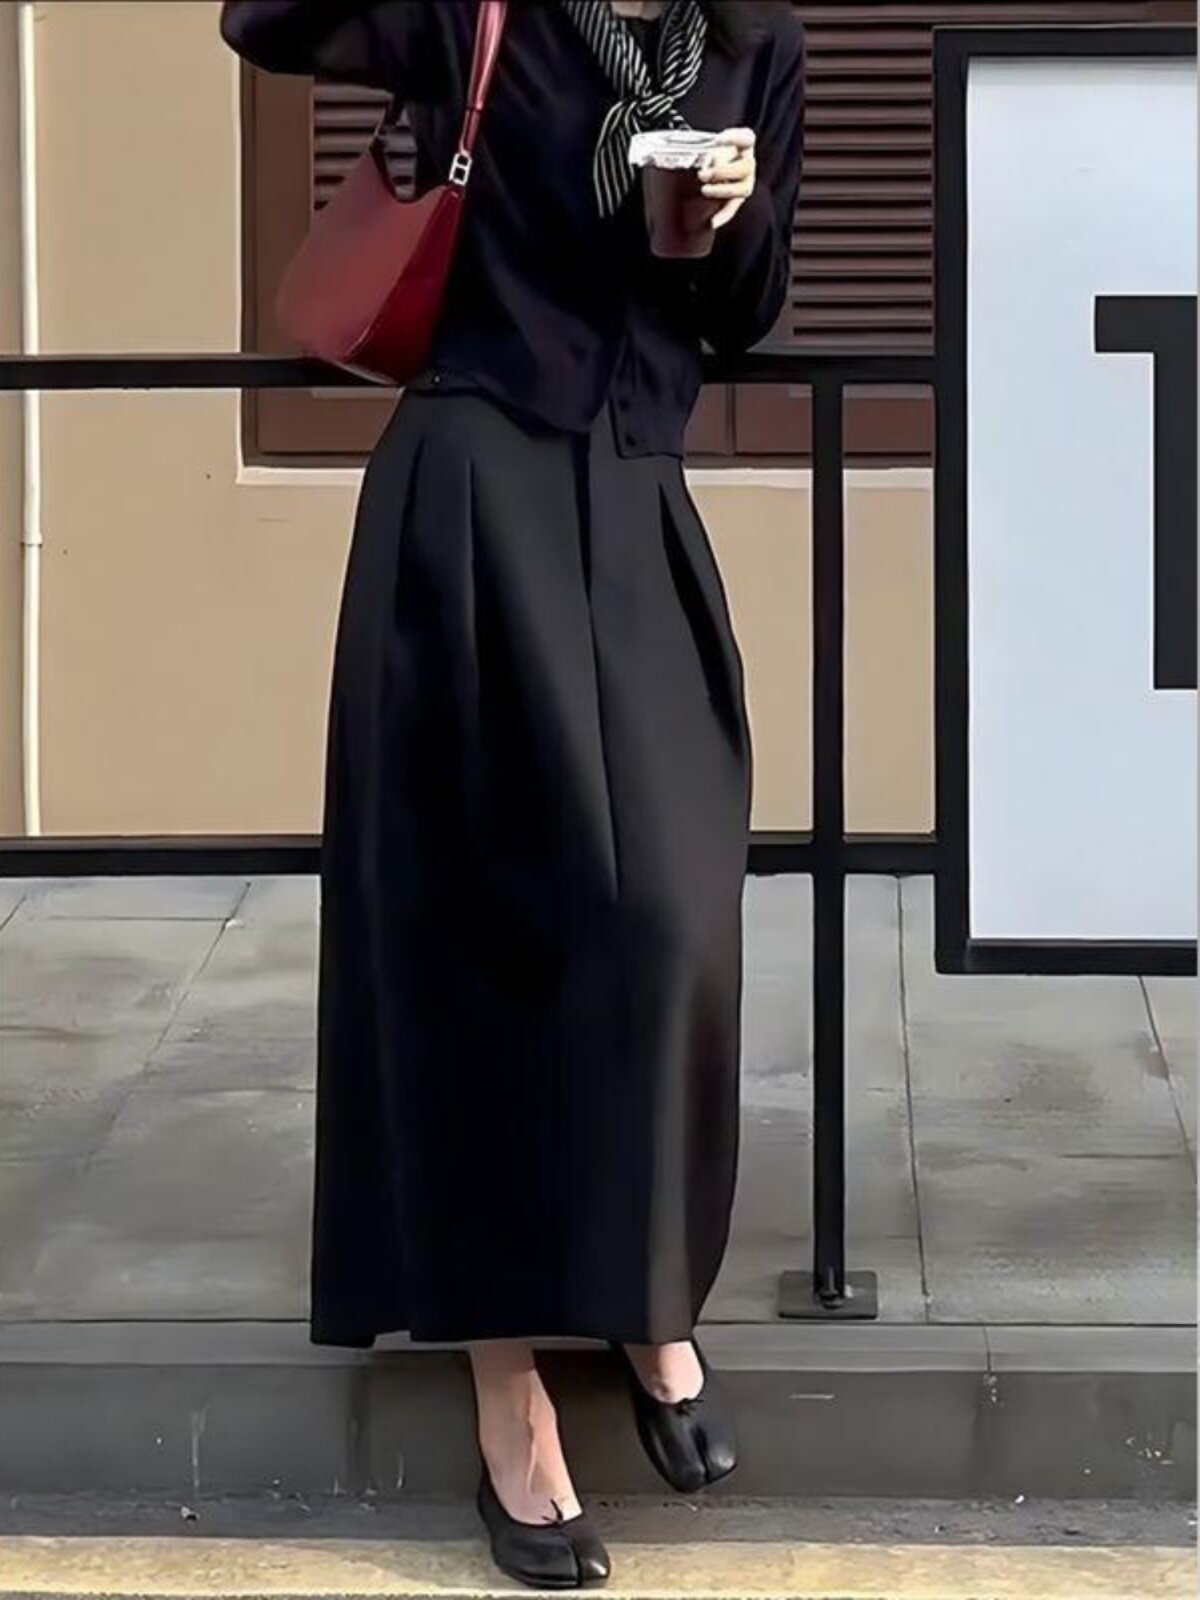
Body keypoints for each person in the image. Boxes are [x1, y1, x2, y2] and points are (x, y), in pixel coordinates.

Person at [220, 0, 804, 1587]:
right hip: (470, 487)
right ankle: (509, 1399)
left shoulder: (751, 40)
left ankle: (644, 1298)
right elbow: (262, 23)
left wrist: (735, 214)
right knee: (472, 935)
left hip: (636, 496)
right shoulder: (475, 7)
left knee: (666, 917)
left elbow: (746, 314)